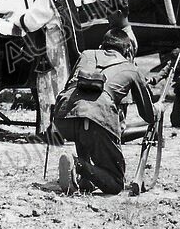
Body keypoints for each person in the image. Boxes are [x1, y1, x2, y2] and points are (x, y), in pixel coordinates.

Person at [53, 29, 156, 195]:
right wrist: (157, 109)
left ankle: (85, 178)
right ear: (128, 51)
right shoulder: (131, 68)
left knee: (84, 117)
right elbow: (148, 116)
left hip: (64, 117)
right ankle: (78, 164)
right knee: (116, 184)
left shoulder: (86, 54)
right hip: (96, 116)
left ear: (102, 46)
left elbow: (70, 86)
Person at [13, 0, 82, 135]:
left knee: (50, 86)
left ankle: (50, 131)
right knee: (64, 83)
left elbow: (34, 20)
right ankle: (65, 128)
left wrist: (15, 19)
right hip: (66, 42)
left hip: (53, 44)